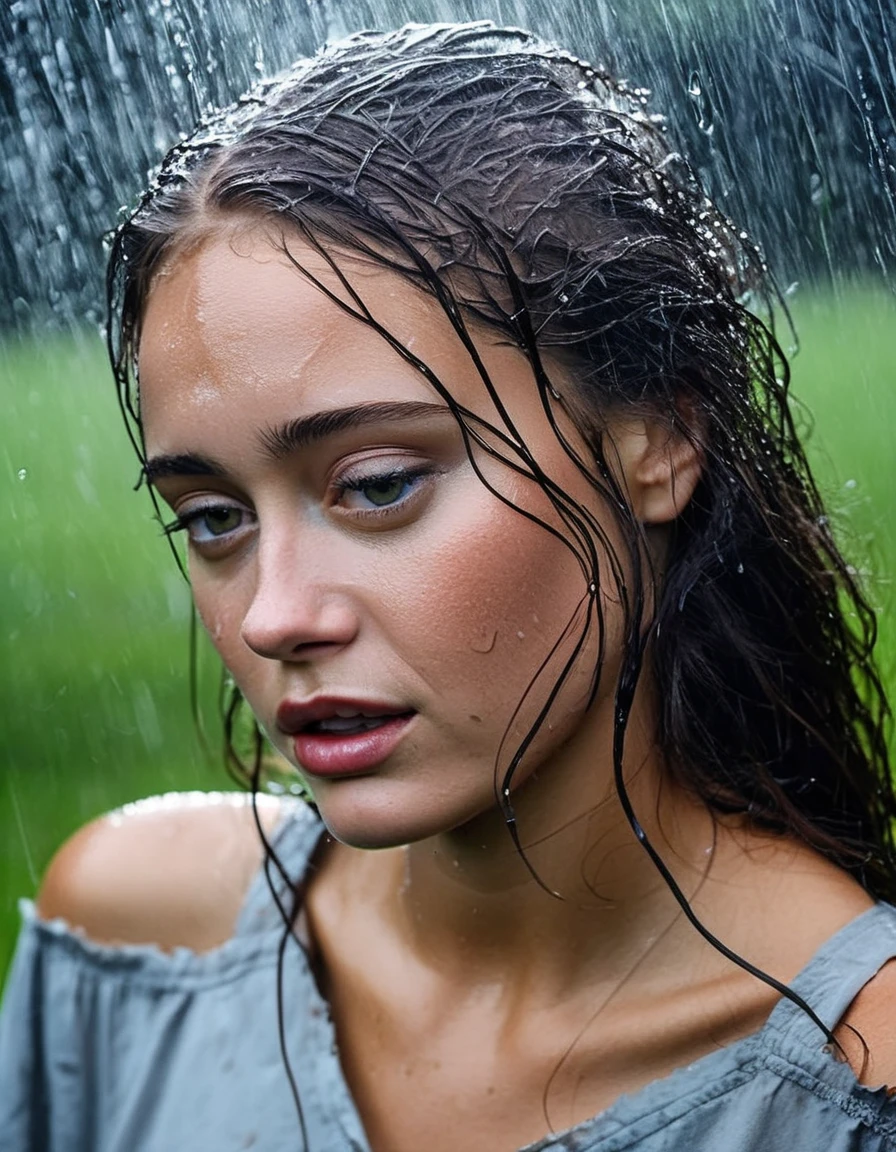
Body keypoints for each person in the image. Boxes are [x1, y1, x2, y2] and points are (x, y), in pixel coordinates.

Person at [1, 20, 895, 1152]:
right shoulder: (140, 943)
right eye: (214, 517)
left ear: (658, 439)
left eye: (376, 486)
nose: (273, 615)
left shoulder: (856, 1082)